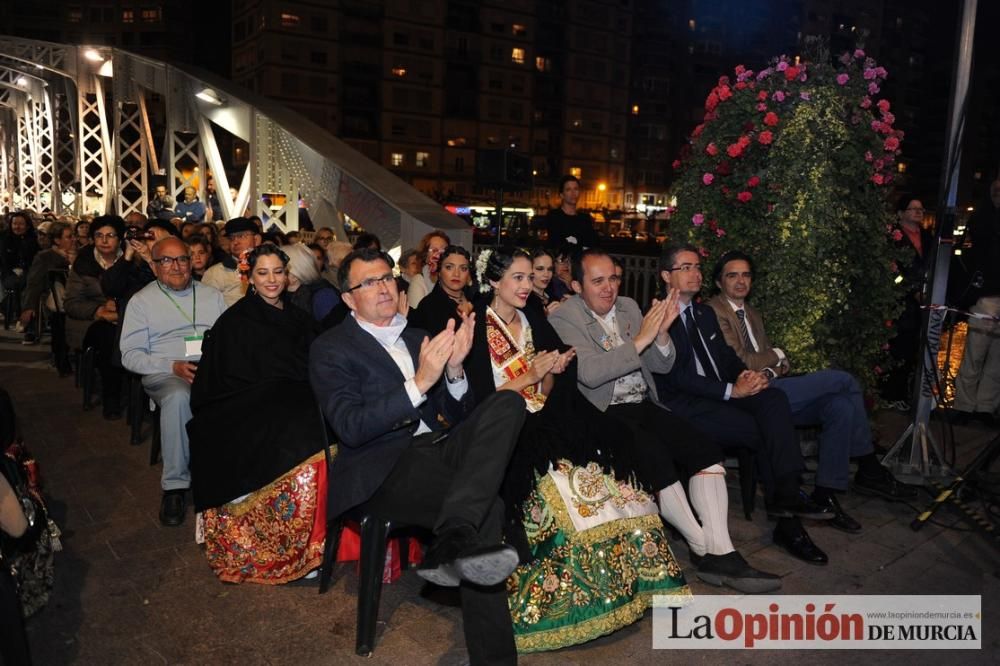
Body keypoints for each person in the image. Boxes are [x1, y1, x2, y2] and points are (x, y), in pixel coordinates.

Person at [469, 248, 696, 652]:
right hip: (503, 430)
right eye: (518, 278)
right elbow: (480, 401)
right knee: (565, 494)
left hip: (545, 420)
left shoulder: (533, 319)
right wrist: (531, 376)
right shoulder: (475, 328)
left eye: (529, 278)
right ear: (494, 283)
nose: (527, 286)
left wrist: (549, 375)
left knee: (612, 480)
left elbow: (559, 379)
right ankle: (567, 607)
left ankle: (633, 587)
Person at [310, 248, 525, 666]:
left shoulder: (416, 335)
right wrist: (419, 382)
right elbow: (351, 427)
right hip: (383, 465)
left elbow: (455, 411)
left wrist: (455, 372)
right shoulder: (331, 348)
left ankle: (454, 531)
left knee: (509, 404)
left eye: (386, 278)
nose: (383, 287)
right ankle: (494, 657)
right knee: (489, 511)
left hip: (438, 447)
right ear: (349, 299)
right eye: (368, 283)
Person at [707, 250, 917, 532]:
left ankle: (826, 492)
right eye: (732, 275)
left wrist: (771, 366)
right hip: (748, 396)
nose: (740, 281)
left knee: (840, 407)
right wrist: (777, 354)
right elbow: (744, 361)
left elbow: (780, 365)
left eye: (746, 275)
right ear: (719, 282)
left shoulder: (752, 314)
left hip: (771, 386)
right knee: (843, 381)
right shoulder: (714, 311)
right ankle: (868, 466)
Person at [653, 243, 832, 565]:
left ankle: (786, 495)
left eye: (698, 267)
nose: (696, 274)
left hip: (717, 396)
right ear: (667, 275)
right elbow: (676, 378)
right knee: (759, 427)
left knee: (773, 398)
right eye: (686, 268)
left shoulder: (704, 313)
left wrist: (747, 377)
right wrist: (730, 391)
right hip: (683, 404)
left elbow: (725, 357)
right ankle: (788, 520)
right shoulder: (656, 317)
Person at [188, 245, 327, 584]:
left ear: (287, 273)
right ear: (249, 276)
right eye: (263, 273)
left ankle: (310, 546)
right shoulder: (235, 321)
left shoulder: (298, 317)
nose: (271, 280)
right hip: (241, 410)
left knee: (324, 427)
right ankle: (281, 547)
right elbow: (223, 381)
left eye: (277, 272)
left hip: (292, 404)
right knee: (303, 435)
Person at [120, 237, 227, 526]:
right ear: (155, 267)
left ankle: (234, 478)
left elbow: (227, 341)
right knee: (179, 397)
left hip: (208, 371)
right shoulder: (141, 301)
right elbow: (129, 356)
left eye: (182, 259)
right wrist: (172, 366)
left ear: (191, 262)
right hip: (165, 372)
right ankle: (175, 487)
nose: (176, 266)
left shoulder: (211, 295)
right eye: (166, 260)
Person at [65, 216, 127, 419]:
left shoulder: (130, 260)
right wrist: (99, 310)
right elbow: (72, 303)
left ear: (120, 239)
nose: (104, 240)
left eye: (110, 235)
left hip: (128, 317)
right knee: (109, 337)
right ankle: (111, 396)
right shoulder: (83, 264)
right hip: (90, 322)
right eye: (99, 235)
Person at [954, 178, 1000, 424]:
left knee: (996, 357)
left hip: (992, 292)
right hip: (986, 295)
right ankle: (964, 405)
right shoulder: (984, 218)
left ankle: (984, 407)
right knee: (976, 351)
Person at [882, 194, 933, 411]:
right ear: (902, 213)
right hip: (900, 303)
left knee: (914, 350)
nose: (918, 212)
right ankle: (891, 395)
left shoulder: (928, 238)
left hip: (923, 301)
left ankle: (908, 394)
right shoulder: (893, 237)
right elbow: (893, 271)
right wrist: (910, 290)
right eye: (913, 209)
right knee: (898, 349)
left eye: (921, 208)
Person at [18, 220, 75, 348]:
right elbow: (34, 283)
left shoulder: (80, 255)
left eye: (73, 236)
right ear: (57, 240)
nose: (73, 239)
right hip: (55, 298)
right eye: (69, 237)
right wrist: (28, 307)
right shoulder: (45, 257)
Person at [408, 245, 473, 335]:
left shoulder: (477, 299)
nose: (457, 274)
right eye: (449, 267)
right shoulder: (428, 306)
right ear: (439, 271)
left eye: (463, 268)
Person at [202, 217, 261, 308]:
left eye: (241, 236)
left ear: (256, 240)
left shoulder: (270, 267)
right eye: (231, 238)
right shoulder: (215, 273)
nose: (235, 242)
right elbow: (207, 308)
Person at [284, 242, 340, 321]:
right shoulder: (281, 295)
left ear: (295, 274)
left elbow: (332, 330)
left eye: (279, 270)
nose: (272, 277)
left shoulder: (323, 296)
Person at [0, 211, 40, 324]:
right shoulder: (4, 239)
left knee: (31, 283)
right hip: (9, 272)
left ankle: (26, 314)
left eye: (21, 224)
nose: (17, 227)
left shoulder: (33, 239)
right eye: (14, 223)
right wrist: (14, 270)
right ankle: (18, 313)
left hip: (28, 271)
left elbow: (35, 259)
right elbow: (4, 259)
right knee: (17, 283)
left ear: (27, 226)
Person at [543, 175, 599, 249]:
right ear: (562, 195)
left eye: (576, 189)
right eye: (568, 189)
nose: (573, 193)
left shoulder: (585, 218)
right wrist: (580, 243)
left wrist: (573, 241)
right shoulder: (554, 216)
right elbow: (557, 243)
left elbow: (592, 243)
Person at [406, 230, 450, 309]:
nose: (439, 254)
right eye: (434, 250)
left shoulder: (453, 278)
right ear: (425, 255)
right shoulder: (418, 281)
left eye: (443, 251)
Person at [526, 248, 561, 316]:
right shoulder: (524, 301)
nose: (546, 274)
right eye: (540, 269)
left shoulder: (554, 297)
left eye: (550, 269)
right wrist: (546, 317)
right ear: (529, 270)